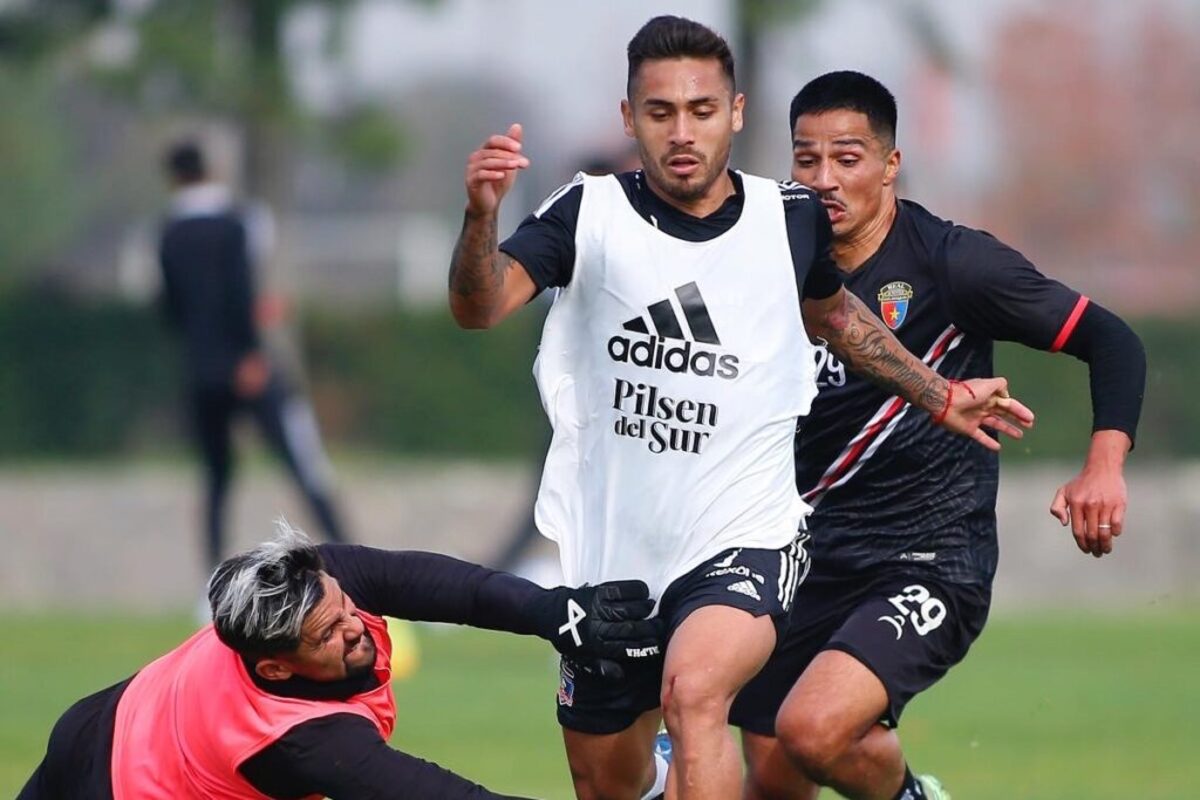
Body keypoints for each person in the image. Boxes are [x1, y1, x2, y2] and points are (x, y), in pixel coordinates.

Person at [448, 18, 1032, 800]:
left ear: (737, 112)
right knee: (608, 781)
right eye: (660, 113)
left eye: (701, 109)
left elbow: (837, 318)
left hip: (744, 535)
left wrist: (938, 394)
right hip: (615, 553)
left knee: (696, 697)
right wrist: (481, 216)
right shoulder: (586, 214)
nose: (682, 132)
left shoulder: (786, 219)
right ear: (630, 119)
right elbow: (480, 307)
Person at [727, 71, 1146, 800]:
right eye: (806, 160)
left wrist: (1103, 468)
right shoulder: (768, 259)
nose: (824, 180)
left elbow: (1112, 340)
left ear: (890, 166)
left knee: (813, 728)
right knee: (772, 776)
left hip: (928, 559)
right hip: (801, 557)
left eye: (848, 159)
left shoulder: (954, 264)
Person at [18, 521, 664, 799]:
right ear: (275, 667)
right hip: (118, 778)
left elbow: (448, 588)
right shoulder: (298, 739)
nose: (357, 627)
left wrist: (554, 612)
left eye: (344, 606)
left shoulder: (321, 584)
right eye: (329, 634)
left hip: (112, 719)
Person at [159, 141, 348, 573]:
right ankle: (353, 559)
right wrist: (248, 352)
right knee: (303, 464)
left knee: (217, 477)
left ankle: (210, 581)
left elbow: (172, 307)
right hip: (249, 367)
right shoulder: (236, 225)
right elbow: (240, 292)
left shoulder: (168, 234)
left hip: (201, 371)